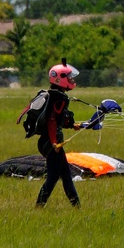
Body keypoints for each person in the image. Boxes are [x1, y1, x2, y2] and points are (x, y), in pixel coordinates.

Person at [35, 59, 83, 208]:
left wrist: (71, 124)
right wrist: (55, 142)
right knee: (54, 176)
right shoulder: (59, 98)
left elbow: (58, 118)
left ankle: (77, 207)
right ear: (60, 79)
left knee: (66, 175)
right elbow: (51, 121)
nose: (71, 80)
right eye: (68, 77)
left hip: (47, 141)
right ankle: (39, 206)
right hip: (51, 142)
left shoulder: (55, 96)